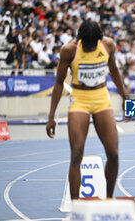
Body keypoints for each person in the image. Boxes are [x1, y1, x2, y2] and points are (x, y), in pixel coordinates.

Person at [46, 20, 129, 199]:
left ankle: (108, 199)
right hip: (80, 101)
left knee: (113, 153)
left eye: (94, 45)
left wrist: (126, 98)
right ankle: (76, 207)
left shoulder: (107, 45)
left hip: (101, 100)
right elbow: (59, 82)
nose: (91, 48)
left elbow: (114, 70)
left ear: (100, 40)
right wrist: (51, 116)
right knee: (76, 154)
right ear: (80, 40)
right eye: (88, 45)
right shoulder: (69, 50)